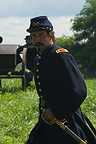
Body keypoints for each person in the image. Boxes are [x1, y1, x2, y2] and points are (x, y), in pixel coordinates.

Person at [25, 16, 96, 144]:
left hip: (66, 118)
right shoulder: (40, 57)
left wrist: (56, 112)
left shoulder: (61, 55)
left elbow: (79, 91)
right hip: (47, 118)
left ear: (50, 35)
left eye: (41, 35)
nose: (37, 39)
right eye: (34, 36)